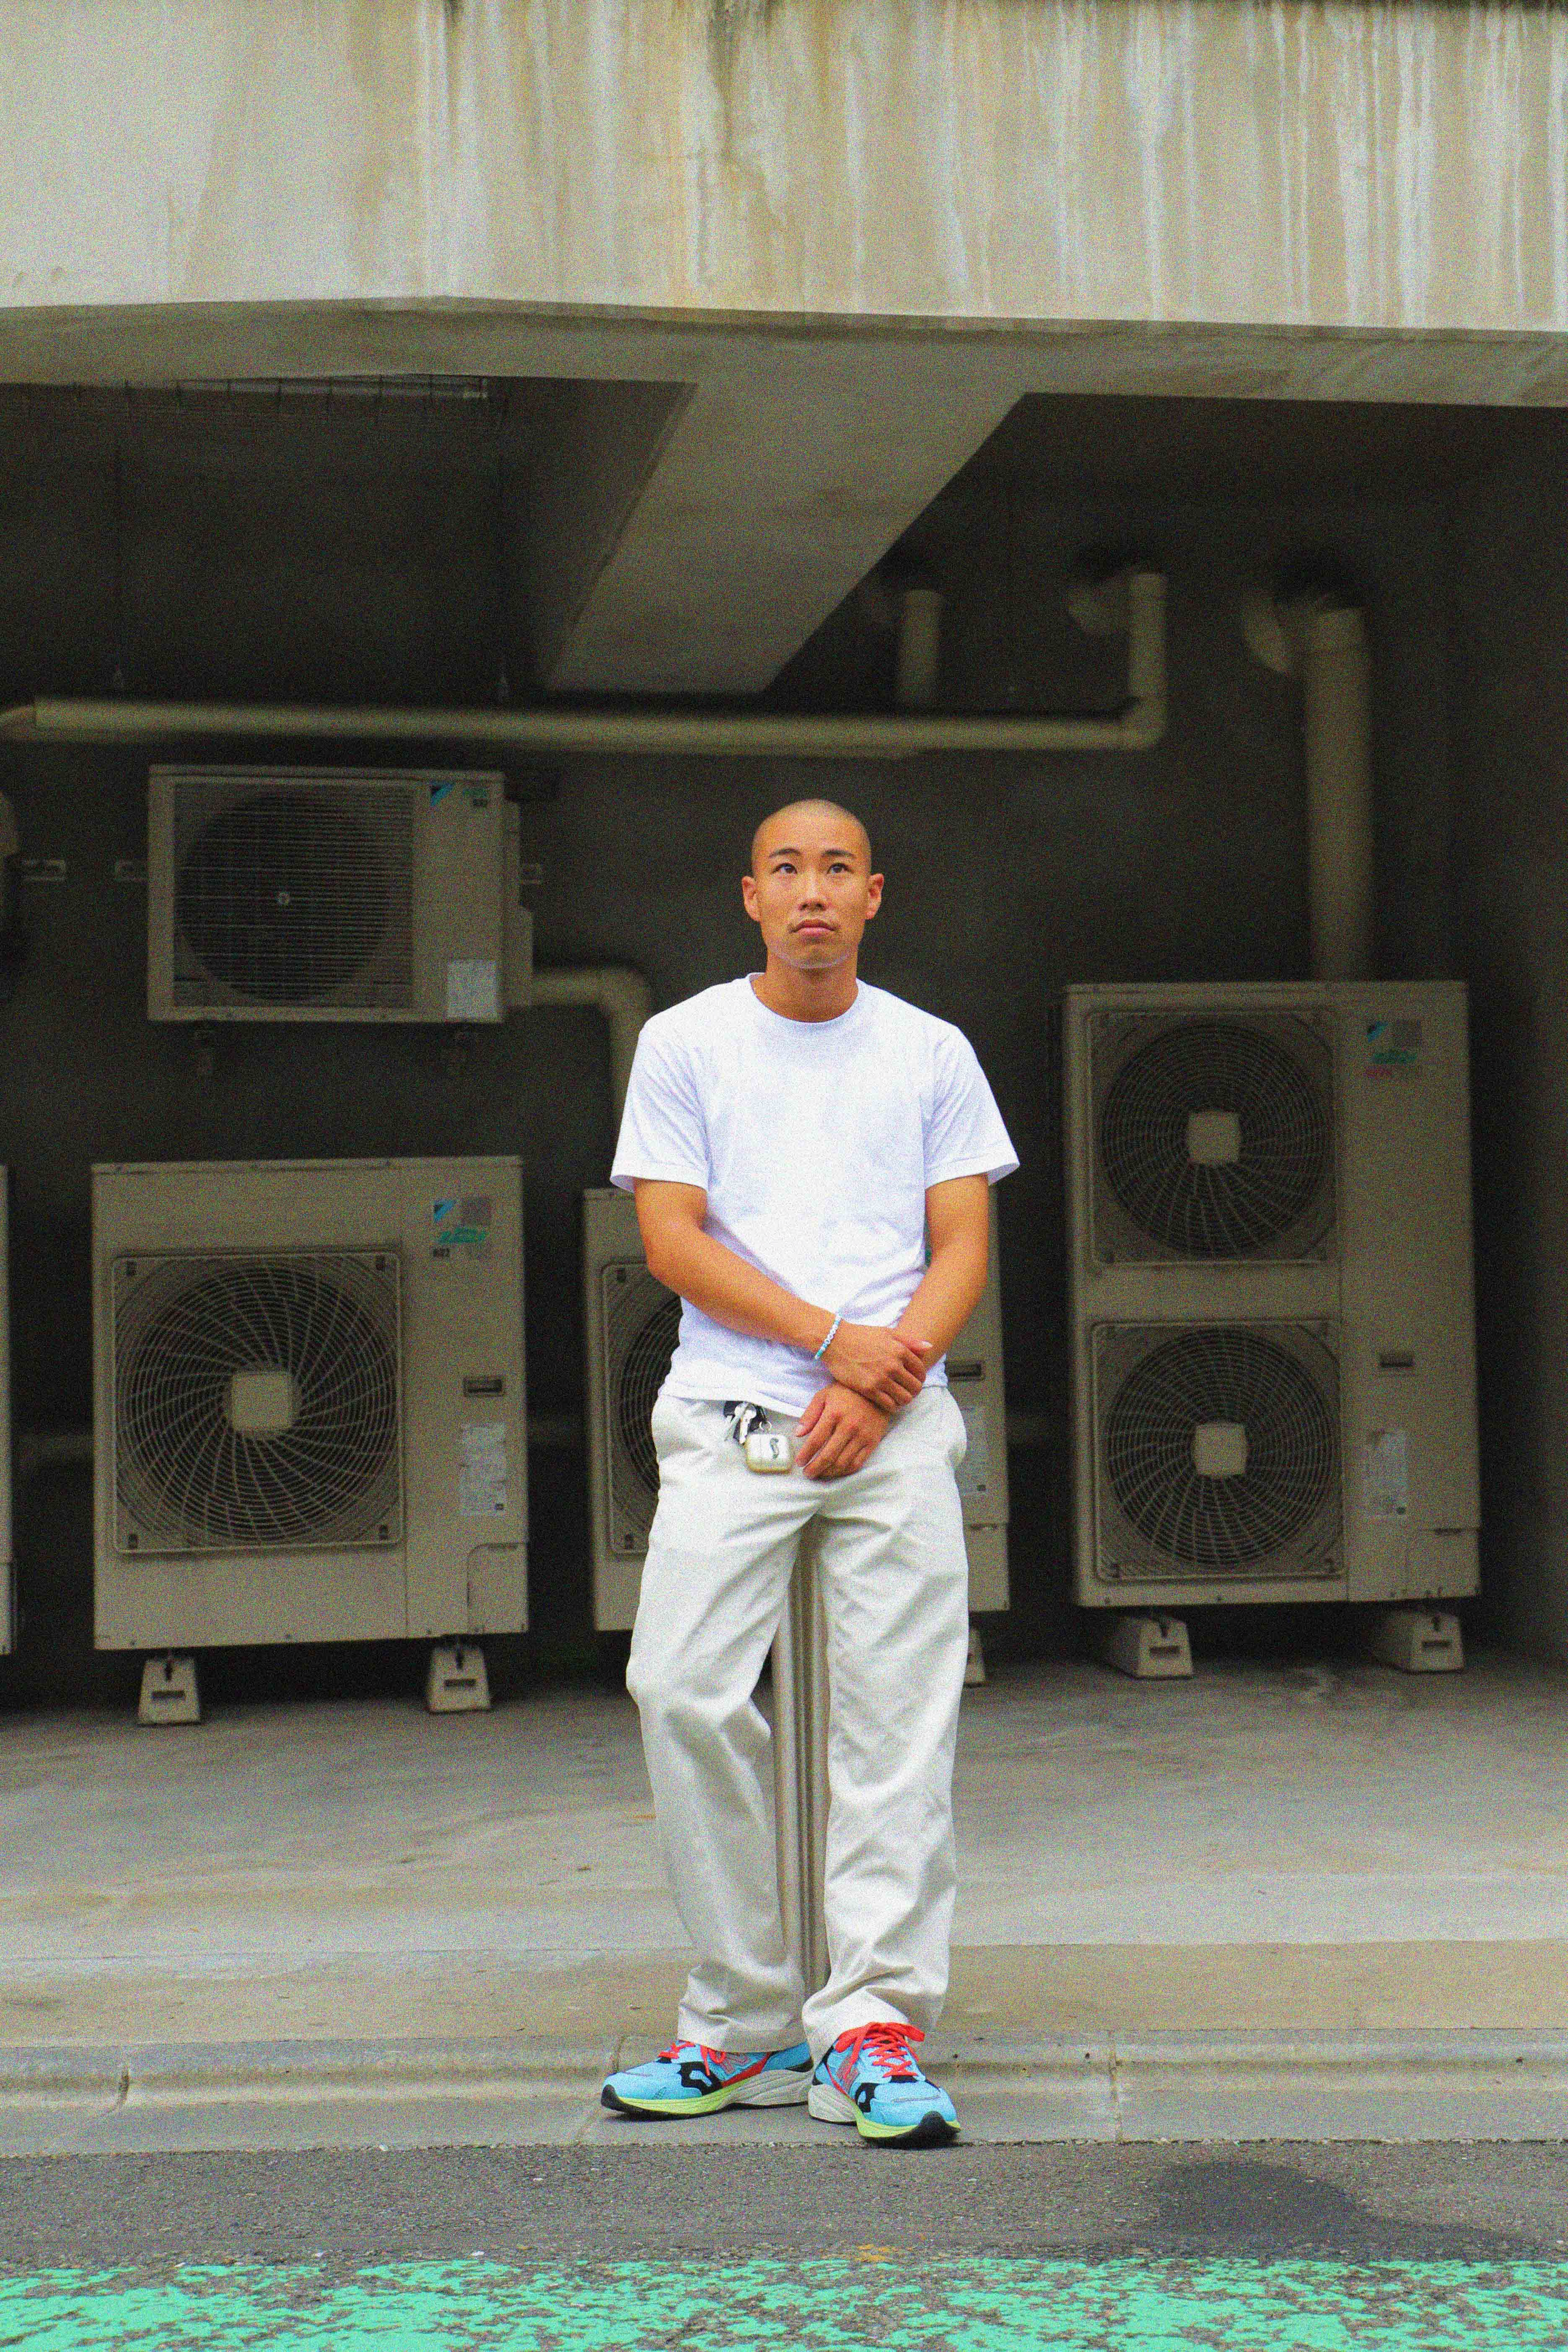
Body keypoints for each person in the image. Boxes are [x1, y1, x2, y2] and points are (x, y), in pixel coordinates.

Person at [600, 797, 1018, 2146]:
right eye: (788, 868)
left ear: (874, 895)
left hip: (892, 1427)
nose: (813, 891)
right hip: (735, 1415)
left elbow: (963, 1243)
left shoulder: (930, 1051)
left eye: (838, 868)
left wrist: (880, 1382)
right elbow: (672, 1240)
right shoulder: (687, 1042)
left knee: (898, 1724)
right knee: (680, 1688)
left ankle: (873, 2027)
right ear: (752, 895)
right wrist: (836, 1344)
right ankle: (742, 2017)